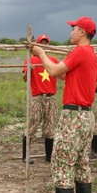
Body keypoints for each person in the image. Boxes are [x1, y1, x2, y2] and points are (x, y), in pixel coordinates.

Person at [32, 16, 97, 193]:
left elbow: (53, 72)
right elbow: (63, 74)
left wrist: (41, 54)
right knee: (81, 163)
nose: (71, 32)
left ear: (82, 32)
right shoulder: (91, 54)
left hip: (73, 116)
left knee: (62, 162)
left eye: (73, 28)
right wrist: (51, 61)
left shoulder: (80, 51)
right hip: (86, 116)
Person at [22, 34, 59, 163]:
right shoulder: (31, 60)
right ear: (36, 45)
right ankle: (25, 156)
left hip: (51, 98)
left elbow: (62, 74)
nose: (44, 44)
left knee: (50, 128)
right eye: (41, 42)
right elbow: (24, 78)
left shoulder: (53, 60)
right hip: (37, 97)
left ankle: (49, 156)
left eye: (46, 42)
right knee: (31, 126)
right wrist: (28, 70)